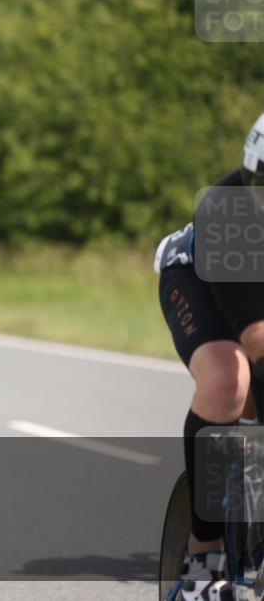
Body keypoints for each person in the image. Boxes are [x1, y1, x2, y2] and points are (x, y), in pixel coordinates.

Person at [156, 112, 264, 599]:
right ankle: (201, 556)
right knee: (229, 380)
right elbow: (258, 339)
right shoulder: (230, 211)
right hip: (197, 275)